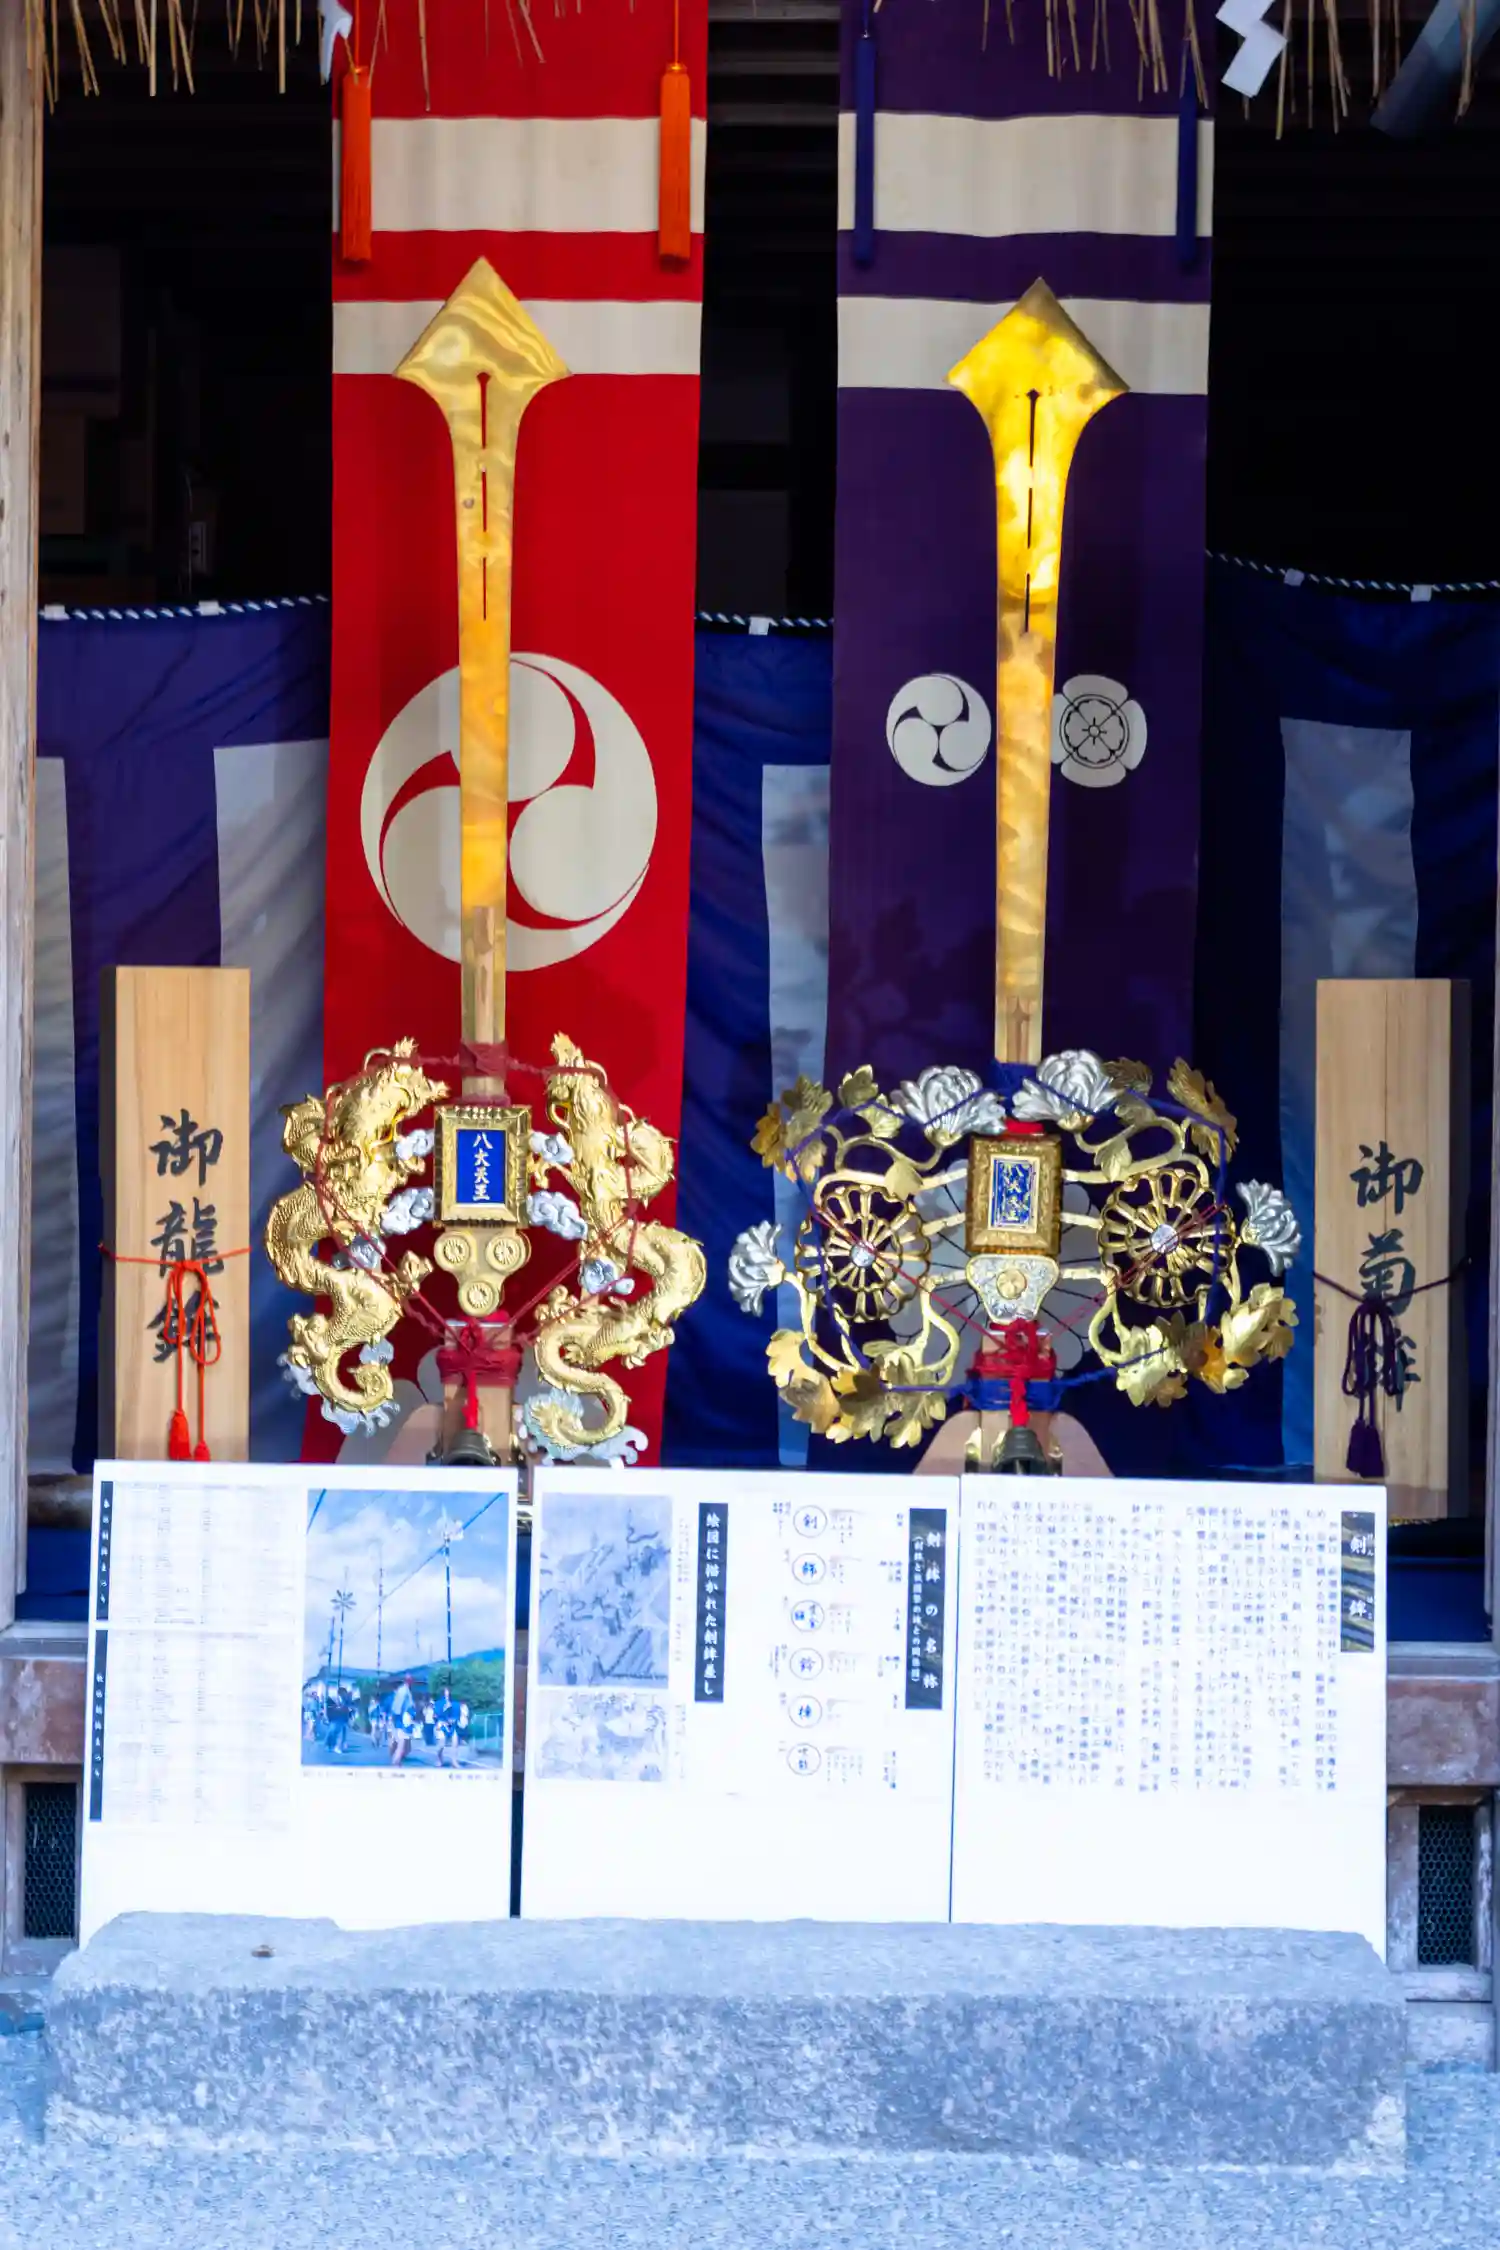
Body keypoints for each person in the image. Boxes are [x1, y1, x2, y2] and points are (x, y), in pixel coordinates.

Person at [388, 1675, 415, 1766]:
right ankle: (396, 1761)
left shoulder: (405, 1690)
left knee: (403, 1742)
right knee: (402, 1742)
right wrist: (396, 1717)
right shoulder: (404, 1691)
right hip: (403, 1718)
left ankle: (396, 1760)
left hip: (403, 1717)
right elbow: (398, 1707)